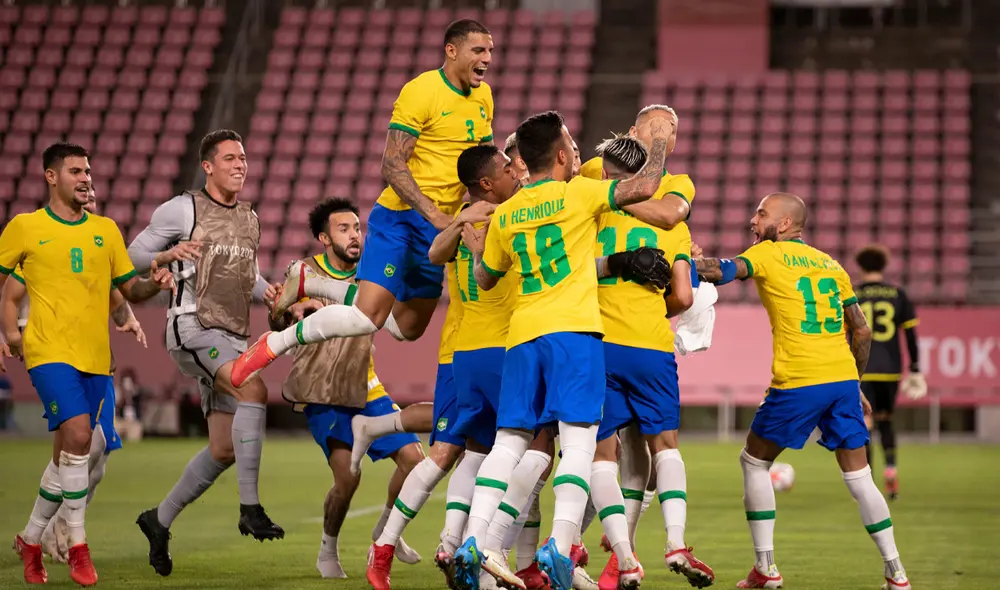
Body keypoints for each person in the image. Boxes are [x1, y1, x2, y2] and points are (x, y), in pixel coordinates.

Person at [455, 110, 674, 590]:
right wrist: (657, 144)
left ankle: (473, 540)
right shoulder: (579, 192)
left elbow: (486, 277)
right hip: (574, 334)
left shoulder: (508, 212)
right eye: (572, 145)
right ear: (558, 155)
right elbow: (644, 186)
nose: (577, 152)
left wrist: (475, 248)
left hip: (522, 336)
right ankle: (559, 541)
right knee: (578, 440)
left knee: (509, 440)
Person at [230, 19, 498, 385]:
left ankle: (315, 281)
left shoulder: (484, 97)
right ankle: (275, 343)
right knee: (367, 316)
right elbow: (391, 163)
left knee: (408, 328)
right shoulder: (421, 91)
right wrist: (435, 214)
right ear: (451, 51)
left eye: (490, 51)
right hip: (404, 216)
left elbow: (479, 164)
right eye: (478, 50)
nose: (487, 58)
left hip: (442, 227)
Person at [694, 193, 910, 590]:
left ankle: (766, 568)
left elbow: (721, 271)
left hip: (798, 380)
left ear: (787, 224)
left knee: (754, 462)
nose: (753, 219)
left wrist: (679, 261)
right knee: (861, 476)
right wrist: (854, 382)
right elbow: (861, 329)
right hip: (841, 380)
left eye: (762, 213)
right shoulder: (832, 265)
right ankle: (896, 572)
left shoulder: (768, 254)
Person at [0, 142, 174, 586]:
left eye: (88, 171)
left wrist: (153, 284)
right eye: (76, 170)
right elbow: (7, 289)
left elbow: (126, 291)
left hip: (97, 358)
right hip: (47, 352)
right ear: (51, 176)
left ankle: (31, 540)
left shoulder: (106, 230)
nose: (86, 178)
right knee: (79, 436)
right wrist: (8, 334)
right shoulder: (25, 227)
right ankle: (79, 546)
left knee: (70, 454)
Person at [364, 144, 520, 590]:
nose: (517, 174)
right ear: (489, 181)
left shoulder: (480, 214)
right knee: (498, 451)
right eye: (511, 167)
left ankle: (442, 547)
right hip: (483, 350)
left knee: (465, 451)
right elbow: (438, 254)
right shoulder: (492, 215)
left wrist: (458, 222)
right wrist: (462, 222)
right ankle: (472, 549)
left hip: (469, 351)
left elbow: (435, 253)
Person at [128, 129, 283, 577]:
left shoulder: (249, 218)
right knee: (252, 388)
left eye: (244, 157)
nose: (241, 164)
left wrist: (266, 290)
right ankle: (249, 507)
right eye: (231, 158)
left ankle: (158, 520)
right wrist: (169, 253)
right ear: (208, 166)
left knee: (222, 448)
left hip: (231, 332)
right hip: (193, 326)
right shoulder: (182, 208)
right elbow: (131, 256)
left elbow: (243, 270)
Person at [268, 198, 426, 580]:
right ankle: (328, 548)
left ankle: (385, 530)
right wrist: (286, 310)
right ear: (324, 238)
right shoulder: (304, 272)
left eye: (357, 228)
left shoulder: (373, 272)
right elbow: (278, 320)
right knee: (348, 478)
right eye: (344, 229)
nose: (355, 236)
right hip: (322, 389)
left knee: (415, 462)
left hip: (365, 384)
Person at [583, 135, 714, 589]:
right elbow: (682, 295)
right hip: (653, 347)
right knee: (665, 445)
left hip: (598, 343)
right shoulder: (672, 227)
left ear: (605, 172)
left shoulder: (591, 212)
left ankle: (624, 557)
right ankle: (676, 542)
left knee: (603, 454)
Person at [854, 244, 924, 500]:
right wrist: (915, 368)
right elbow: (911, 334)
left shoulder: (854, 293)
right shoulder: (897, 293)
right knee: (886, 420)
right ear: (883, 266)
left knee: (865, 424)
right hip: (891, 370)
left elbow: (845, 332)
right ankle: (891, 468)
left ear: (861, 267)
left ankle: (867, 482)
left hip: (862, 368)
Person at [580, 105, 689, 230]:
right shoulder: (596, 167)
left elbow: (668, 216)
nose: (662, 133)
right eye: (655, 126)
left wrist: (607, 191)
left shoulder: (678, 183)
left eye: (670, 130)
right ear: (634, 132)